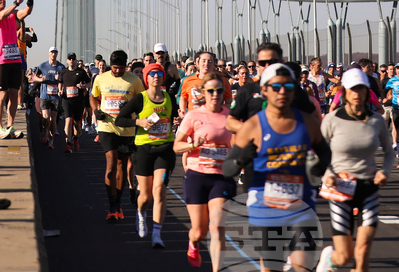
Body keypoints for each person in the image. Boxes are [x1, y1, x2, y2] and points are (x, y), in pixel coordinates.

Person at [223, 63, 329, 272]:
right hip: (266, 207)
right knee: (272, 267)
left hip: (301, 205)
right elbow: (228, 169)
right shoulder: (252, 126)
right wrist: (240, 159)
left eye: (288, 87)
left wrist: (319, 166)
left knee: (302, 265)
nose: (282, 92)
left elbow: (326, 153)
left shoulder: (307, 123)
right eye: (276, 87)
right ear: (264, 90)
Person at [316, 68, 394, 272]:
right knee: (344, 257)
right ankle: (330, 260)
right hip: (341, 189)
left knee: (363, 253)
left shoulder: (376, 121)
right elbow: (317, 152)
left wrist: (384, 171)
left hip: (368, 188)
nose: (357, 93)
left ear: (368, 91)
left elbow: (388, 152)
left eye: (361, 88)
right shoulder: (332, 120)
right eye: (352, 89)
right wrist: (327, 174)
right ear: (344, 92)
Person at [173, 73, 235, 271]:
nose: (215, 94)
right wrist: (192, 144)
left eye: (219, 90)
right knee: (199, 231)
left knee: (217, 228)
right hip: (197, 175)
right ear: (203, 92)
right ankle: (193, 242)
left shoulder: (230, 117)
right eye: (210, 91)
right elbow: (176, 146)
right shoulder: (194, 115)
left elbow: (239, 143)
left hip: (222, 177)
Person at [116, 62, 177, 248]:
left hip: (164, 149)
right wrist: (139, 122)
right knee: (146, 196)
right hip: (143, 150)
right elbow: (120, 119)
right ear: (146, 78)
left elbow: (173, 117)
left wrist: (177, 119)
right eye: (152, 74)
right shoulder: (140, 99)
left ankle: (157, 234)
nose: (156, 76)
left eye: (159, 73)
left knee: (159, 190)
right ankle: (141, 214)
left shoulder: (169, 97)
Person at [91, 49, 143, 222]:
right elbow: (93, 96)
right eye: (115, 68)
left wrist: (132, 112)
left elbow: (141, 102)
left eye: (121, 68)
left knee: (121, 165)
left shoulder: (134, 80)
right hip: (107, 126)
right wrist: (96, 110)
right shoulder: (100, 78)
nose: (118, 71)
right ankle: (112, 204)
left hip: (126, 129)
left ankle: (118, 203)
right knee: (111, 164)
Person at [0, 0, 32, 140]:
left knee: (13, 94)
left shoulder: (13, 14)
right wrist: (15, 4)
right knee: (1, 94)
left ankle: (10, 127)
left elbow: (26, 12)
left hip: (15, 59)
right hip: (0, 61)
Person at [180, 51, 231, 115]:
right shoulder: (188, 80)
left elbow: (229, 102)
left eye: (210, 61)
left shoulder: (220, 81)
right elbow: (183, 98)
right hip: (194, 119)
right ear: (198, 63)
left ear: (214, 64)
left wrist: (217, 108)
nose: (206, 64)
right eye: (204, 61)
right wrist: (182, 111)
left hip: (213, 118)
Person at [32, 47, 64, 148]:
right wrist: (41, 79)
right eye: (52, 52)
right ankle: (45, 130)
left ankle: (51, 139)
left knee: (53, 119)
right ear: (48, 54)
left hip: (55, 97)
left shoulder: (61, 67)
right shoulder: (42, 65)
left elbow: (63, 80)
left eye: (55, 52)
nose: (53, 54)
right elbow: (34, 77)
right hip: (45, 95)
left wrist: (59, 80)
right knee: (45, 117)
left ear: (57, 54)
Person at [60, 52, 89, 153]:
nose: (71, 60)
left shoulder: (81, 72)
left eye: (73, 59)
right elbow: (60, 82)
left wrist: (83, 86)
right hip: (66, 100)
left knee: (77, 123)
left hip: (78, 100)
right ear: (67, 60)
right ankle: (68, 143)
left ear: (76, 60)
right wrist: (60, 90)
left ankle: (76, 139)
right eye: (70, 59)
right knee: (68, 121)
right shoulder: (63, 72)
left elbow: (89, 82)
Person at [383, 62, 399, 169]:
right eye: (397, 69)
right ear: (395, 70)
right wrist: (384, 97)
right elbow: (385, 89)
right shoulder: (392, 80)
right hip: (397, 109)